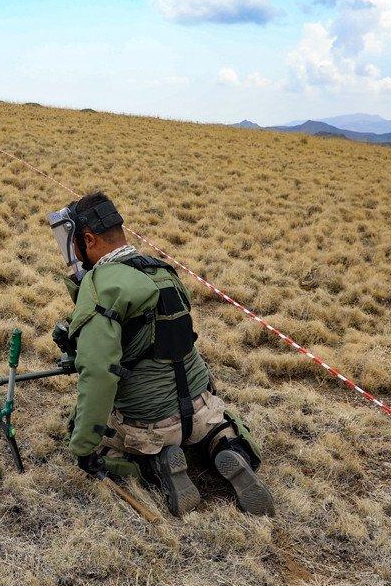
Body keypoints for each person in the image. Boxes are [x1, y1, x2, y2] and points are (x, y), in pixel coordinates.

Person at [47, 192, 274, 517]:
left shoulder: (98, 287)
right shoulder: (162, 272)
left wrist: (82, 447)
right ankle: (225, 445)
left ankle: (157, 463)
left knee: (103, 439)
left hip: (151, 421)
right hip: (199, 408)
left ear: (88, 239)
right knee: (214, 426)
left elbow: (98, 373)